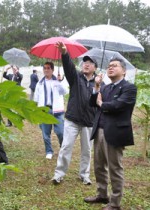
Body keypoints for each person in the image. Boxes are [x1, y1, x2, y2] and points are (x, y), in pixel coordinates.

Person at [84, 58, 137, 210]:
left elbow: (118, 105)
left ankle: (115, 203)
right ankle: (102, 195)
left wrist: (102, 104)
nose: (110, 68)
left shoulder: (129, 88)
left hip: (115, 132)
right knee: (99, 166)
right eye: (109, 66)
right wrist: (97, 87)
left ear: (124, 70)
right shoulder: (105, 88)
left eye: (114, 66)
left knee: (115, 168)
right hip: (99, 130)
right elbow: (92, 103)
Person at [52, 41, 98, 185]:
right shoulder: (75, 77)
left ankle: (84, 175)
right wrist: (65, 53)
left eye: (90, 63)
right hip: (72, 119)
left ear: (95, 67)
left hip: (89, 121)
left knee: (87, 151)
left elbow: (100, 102)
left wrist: (98, 86)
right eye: (85, 62)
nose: (86, 64)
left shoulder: (98, 82)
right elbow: (69, 67)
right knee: (66, 147)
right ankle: (59, 174)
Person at [34, 62, 66, 159]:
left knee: (61, 132)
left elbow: (64, 92)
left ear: (52, 70)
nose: (46, 70)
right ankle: (49, 151)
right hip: (45, 110)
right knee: (45, 134)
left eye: (48, 68)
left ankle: (63, 148)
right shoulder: (39, 83)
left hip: (57, 111)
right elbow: (36, 98)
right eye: (45, 68)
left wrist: (59, 82)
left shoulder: (58, 81)